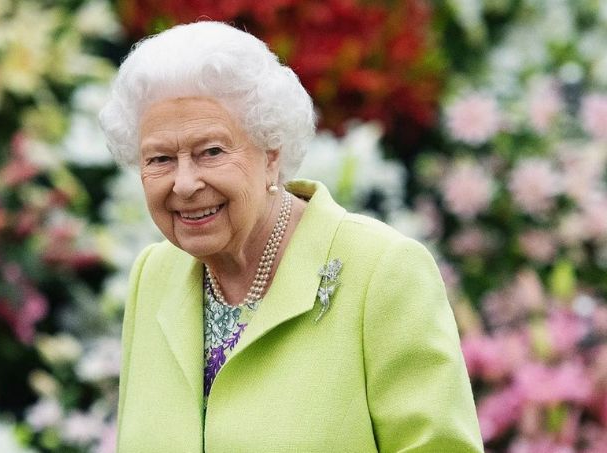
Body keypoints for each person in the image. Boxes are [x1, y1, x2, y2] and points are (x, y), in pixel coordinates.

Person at [99, 21, 484, 453]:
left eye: (211, 151)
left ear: (271, 154)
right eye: (161, 159)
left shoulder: (382, 271)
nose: (184, 183)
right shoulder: (153, 275)